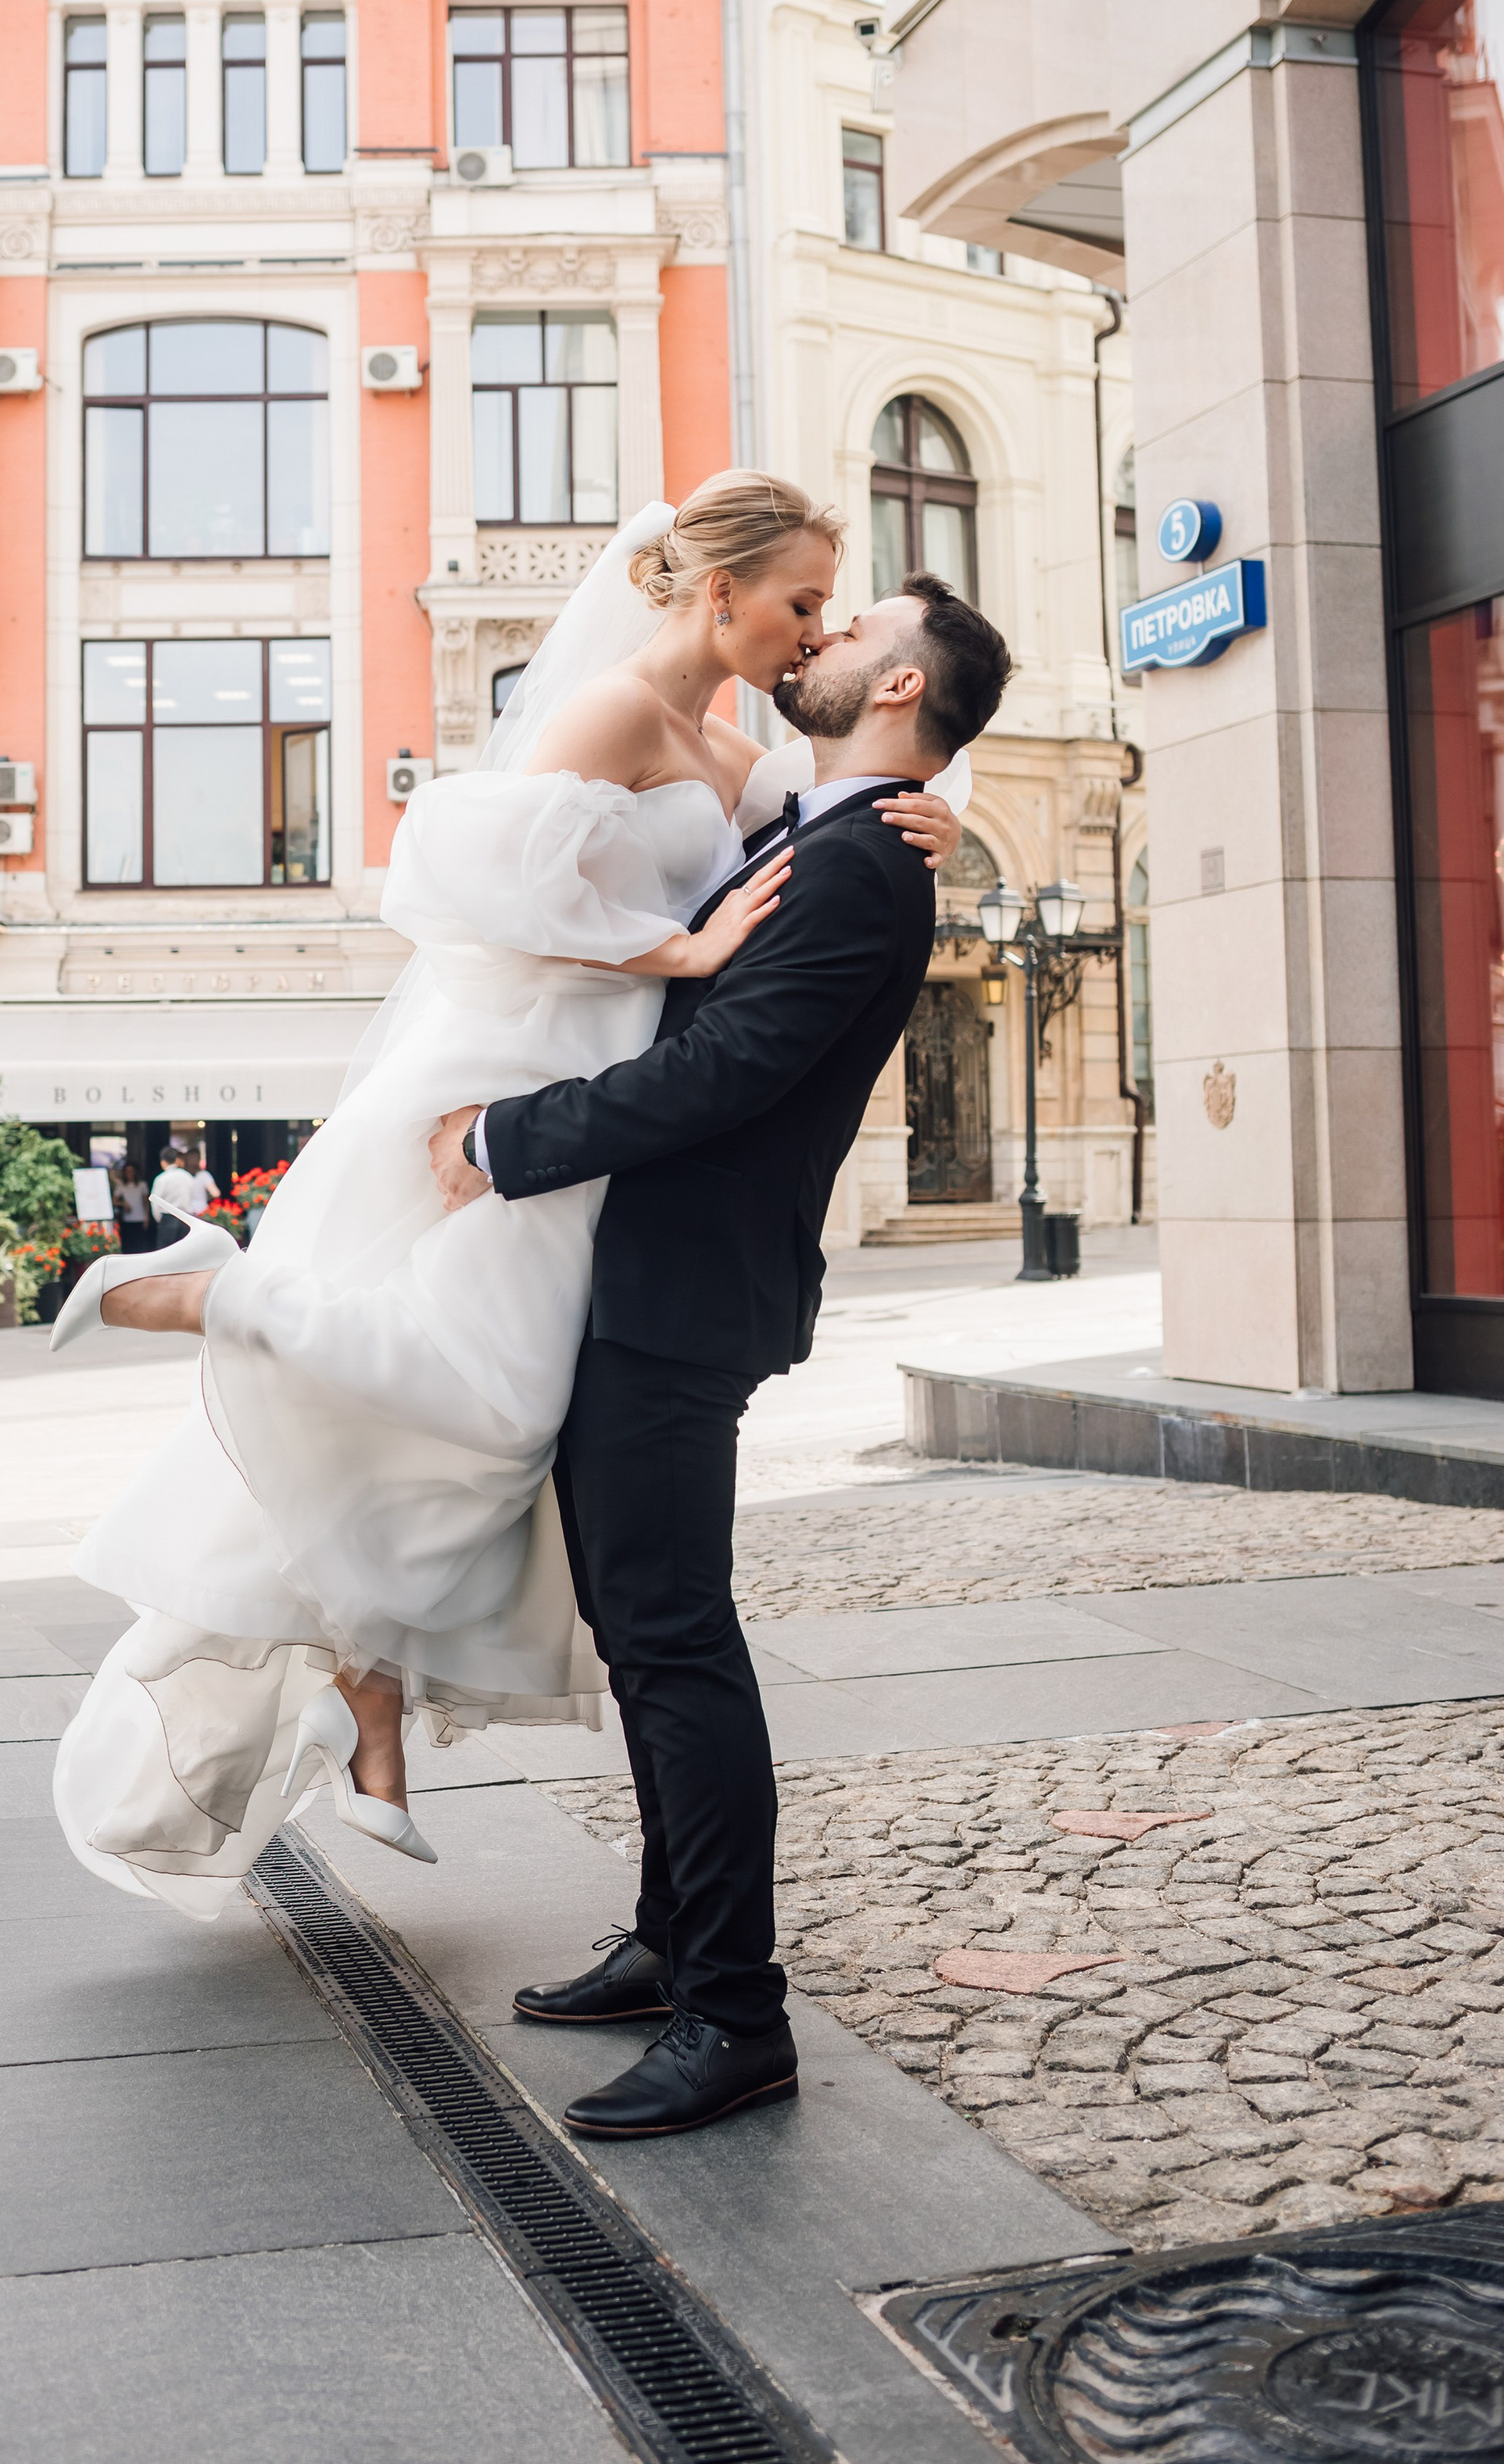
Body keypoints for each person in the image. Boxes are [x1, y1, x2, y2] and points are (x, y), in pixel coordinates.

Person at [45, 476, 963, 1930]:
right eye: (797, 603)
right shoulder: (607, 711)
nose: (809, 636)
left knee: (495, 1427)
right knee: (481, 1400)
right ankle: (233, 1304)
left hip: (594, 1130)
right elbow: (469, 881)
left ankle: (371, 1692)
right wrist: (674, 950)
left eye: (829, 618)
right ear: (717, 595)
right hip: (521, 1082)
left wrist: (931, 819)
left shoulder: (741, 751)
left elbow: (842, 827)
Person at [429, 569, 1012, 2137]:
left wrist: (502, 1134)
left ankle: (734, 2015)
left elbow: (732, 1074)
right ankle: (672, 1937)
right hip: (656, 1282)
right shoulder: (824, 826)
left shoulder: (860, 864)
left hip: (683, 1294)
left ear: (897, 687)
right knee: (644, 1632)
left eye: (849, 631)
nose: (818, 642)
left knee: (675, 1642)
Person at [149, 1146, 193, 1249]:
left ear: (163, 1162)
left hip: (168, 1218)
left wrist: (159, 1218)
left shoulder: (161, 1178)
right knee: (184, 1250)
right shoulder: (188, 1176)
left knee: (166, 1251)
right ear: (177, 1160)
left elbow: (155, 1201)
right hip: (185, 1218)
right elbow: (192, 1197)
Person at [113, 1161, 151, 1253]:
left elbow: (146, 1202)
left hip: (140, 1218)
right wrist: (123, 1204)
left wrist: (147, 1217)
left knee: (139, 1244)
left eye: (131, 1171)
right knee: (128, 1244)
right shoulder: (122, 1186)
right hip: (127, 1219)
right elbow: (114, 1201)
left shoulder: (142, 1185)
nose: (129, 1174)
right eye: (127, 1171)